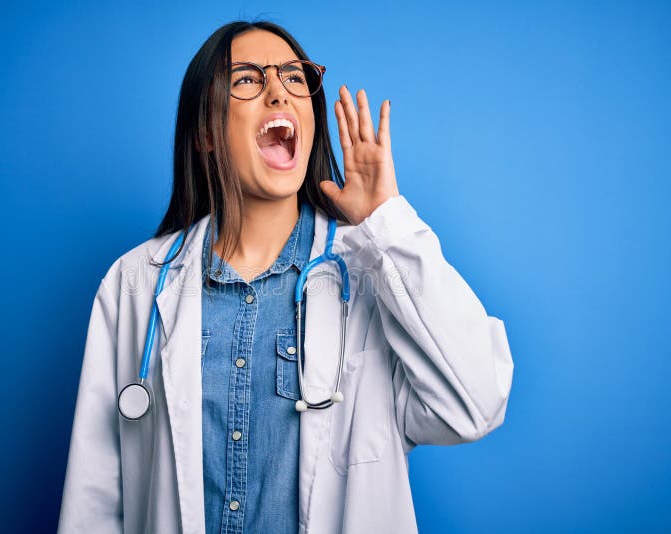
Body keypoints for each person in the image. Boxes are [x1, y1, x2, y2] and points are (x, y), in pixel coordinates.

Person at [57, 20, 513, 534]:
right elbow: (92, 500)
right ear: (206, 131)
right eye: (248, 79)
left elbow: (477, 403)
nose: (278, 91)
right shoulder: (137, 284)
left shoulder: (369, 273)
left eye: (295, 78)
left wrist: (386, 223)